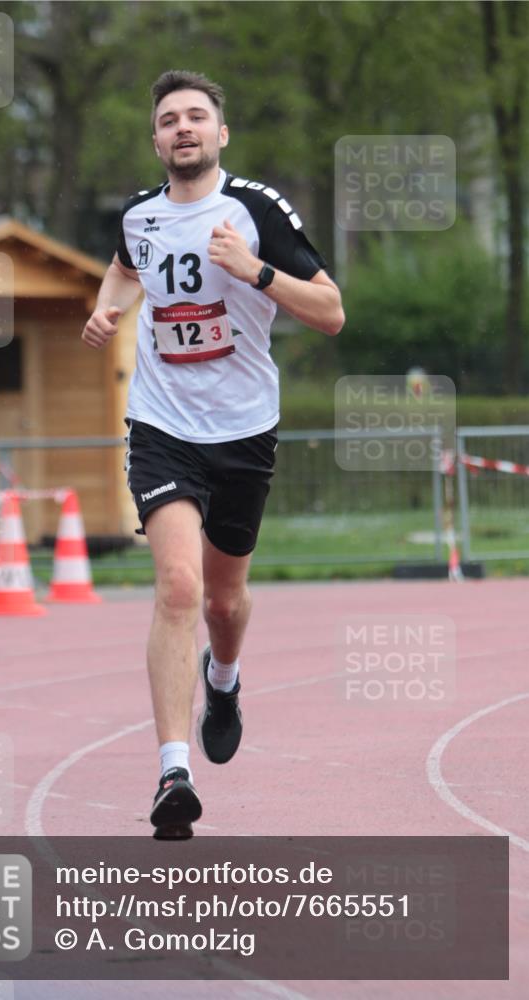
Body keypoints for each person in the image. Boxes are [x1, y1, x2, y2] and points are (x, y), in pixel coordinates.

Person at [82, 69, 344, 839]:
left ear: (220, 134)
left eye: (197, 117)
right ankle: (172, 771)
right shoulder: (138, 216)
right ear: (156, 139)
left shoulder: (255, 210)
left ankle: (222, 680)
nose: (183, 129)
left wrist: (255, 271)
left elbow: (329, 312)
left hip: (242, 430)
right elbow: (125, 272)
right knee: (176, 587)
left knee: (223, 603)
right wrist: (106, 309)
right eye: (169, 120)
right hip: (162, 425)